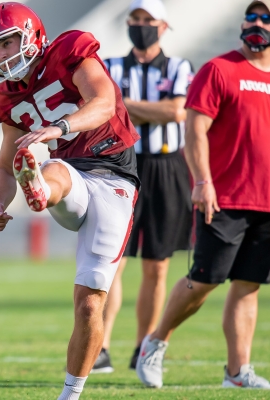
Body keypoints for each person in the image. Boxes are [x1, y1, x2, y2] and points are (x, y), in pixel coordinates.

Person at [0, 3, 139, 398]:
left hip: (114, 175)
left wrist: (57, 128)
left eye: (6, 43)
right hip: (69, 174)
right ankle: (38, 191)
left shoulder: (68, 51)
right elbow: (2, 167)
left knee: (89, 305)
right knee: (50, 169)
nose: (1, 56)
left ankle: (70, 395)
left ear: (31, 35)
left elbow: (103, 102)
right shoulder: (7, 99)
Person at [136, 0, 270, 389]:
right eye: (252, 16)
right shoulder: (219, 69)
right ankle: (155, 341)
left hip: (266, 202)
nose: (256, 23)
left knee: (248, 285)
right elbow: (194, 132)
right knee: (204, 280)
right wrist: (202, 181)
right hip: (224, 197)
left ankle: (237, 373)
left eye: (265, 17)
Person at [96, 0, 193, 372]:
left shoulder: (179, 67)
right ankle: (100, 345)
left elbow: (176, 111)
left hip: (168, 167)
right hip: (124, 166)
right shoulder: (110, 66)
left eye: (146, 20)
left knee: (157, 265)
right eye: (134, 19)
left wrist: (123, 104)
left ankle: (143, 346)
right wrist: (146, 107)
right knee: (112, 261)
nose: (139, 25)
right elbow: (104, 107)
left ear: (163, 26)